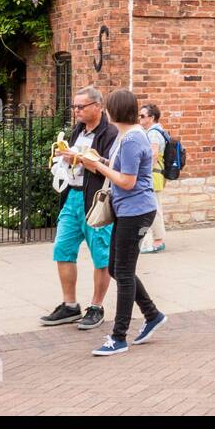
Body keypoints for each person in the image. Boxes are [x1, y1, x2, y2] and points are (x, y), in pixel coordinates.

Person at [79, 88, 166, 356]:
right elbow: (118, 167)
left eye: (107, 107)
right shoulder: (124, 135)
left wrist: (101, 167)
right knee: (117, 269)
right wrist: (91, 159)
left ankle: (119, 337)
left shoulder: (131, 139)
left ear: (113, 110)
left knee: (124, 273)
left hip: (136, 211)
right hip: (126, 210)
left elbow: (127, 181)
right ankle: (152, 315)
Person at [41, 86, 118, 331]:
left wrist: (84, 159)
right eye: (74, 106)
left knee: (101, 254)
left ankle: (96, 306)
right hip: (72, 196)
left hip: (94, 198)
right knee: (62, 248)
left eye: (81, 107)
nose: (76, 111)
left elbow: (112, 166)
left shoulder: (110, 133)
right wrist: (66, 158)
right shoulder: (78, 131)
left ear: (98, 106)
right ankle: (70, 304)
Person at [138, 103, 169, 253]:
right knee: (153, 207)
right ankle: (154, 239)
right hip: (155, 173)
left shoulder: (153, 133)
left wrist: (144, 173)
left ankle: (158, 241)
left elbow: (154, 154)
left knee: (155, 208)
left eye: (143, 116)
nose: (140, 118)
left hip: (153, 174)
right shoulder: (154, 131)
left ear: (152, 118)